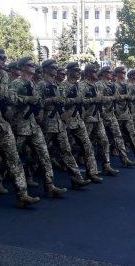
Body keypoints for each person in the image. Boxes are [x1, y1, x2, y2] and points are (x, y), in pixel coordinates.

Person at [0, 48, 40, 208]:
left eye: (5, 58)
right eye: (1, 58)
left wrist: (19, 102)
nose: (4, 60)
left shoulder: (4, 75)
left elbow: (9, 96)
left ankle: (22, 195)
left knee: (14, 158)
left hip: (2, 122)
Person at [9, 56, 67, 197]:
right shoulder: (17, 83)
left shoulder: (34, 84)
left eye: (34, 64)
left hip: (33, 125)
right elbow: (10, 98)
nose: (33, 66)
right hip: (20, 125)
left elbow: (39, 101)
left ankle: (49, 185)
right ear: (22, 67)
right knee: (12, 158)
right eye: (30, 65)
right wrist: (28, 99)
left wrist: (41, 106)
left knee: (44, 155)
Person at [35, 59, 91, 189]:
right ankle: (30, 174)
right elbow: (37, 103)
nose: (55, 69)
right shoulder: (41, 84)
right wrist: (52, 100)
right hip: (47, 122)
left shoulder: (55, 84)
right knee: (40, 153)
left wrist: (64, 109)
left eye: (56, 67)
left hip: (59, 122)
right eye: (53, 67)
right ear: (46, 69)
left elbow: (62, 101)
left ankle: (76, 178)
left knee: (66, 151)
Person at [62, 62, 108, 181]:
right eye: (76, 70)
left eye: (79, 70)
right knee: (64, 149)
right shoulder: (64, 86)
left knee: (87, 146)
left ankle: (91, 173)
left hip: (79, 119)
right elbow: (61, 102)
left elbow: (84, 100)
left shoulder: (80, 85)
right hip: (66, 121)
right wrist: (77, 101)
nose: (78, 72)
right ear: (69, 71)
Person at [96, 66, 135, 168]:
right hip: (101, 115)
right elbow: (98, 99)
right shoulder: (99, 84)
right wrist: (112, 98)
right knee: (101, 139)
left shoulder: (112, 85)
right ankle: (100, 157)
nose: (112, 74)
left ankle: (124, 159)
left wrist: (117, 97)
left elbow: (118, 97)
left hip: (111, 114)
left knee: (118, 137)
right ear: (104, 73)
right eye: (109, 72)